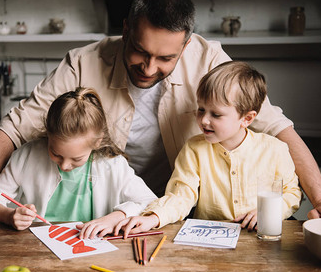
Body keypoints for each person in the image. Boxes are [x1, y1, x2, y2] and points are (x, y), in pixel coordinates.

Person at [0, 0, 321, 233]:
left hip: (180, 210)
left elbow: (278, 129)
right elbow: (11, 131)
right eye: (140, 52)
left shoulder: (210, 58)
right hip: (108, 212)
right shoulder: (83, 61)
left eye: (166, 59)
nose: (149, 68)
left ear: (186, 45)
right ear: (125, 29)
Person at [114, 61, 302, 235]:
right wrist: (153, 218)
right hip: (208, 242)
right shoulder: (194, 149)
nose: (204, 120)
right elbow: (181, 195)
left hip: (259, 237)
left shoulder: (275, 149)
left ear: (247, 119)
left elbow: (292, 193)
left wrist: (270, 212)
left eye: (216, 114)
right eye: (201, 109)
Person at [0, 87, 156, 238]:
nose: (64, 166)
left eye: (77, 159)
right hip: (36, 247)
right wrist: (9, 216)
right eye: (56, 153)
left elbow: (151, 203)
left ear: (97, 142)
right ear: (48, 134)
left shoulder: (114, 165)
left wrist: (117, 216)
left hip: (93, 247)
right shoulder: (27, 156)